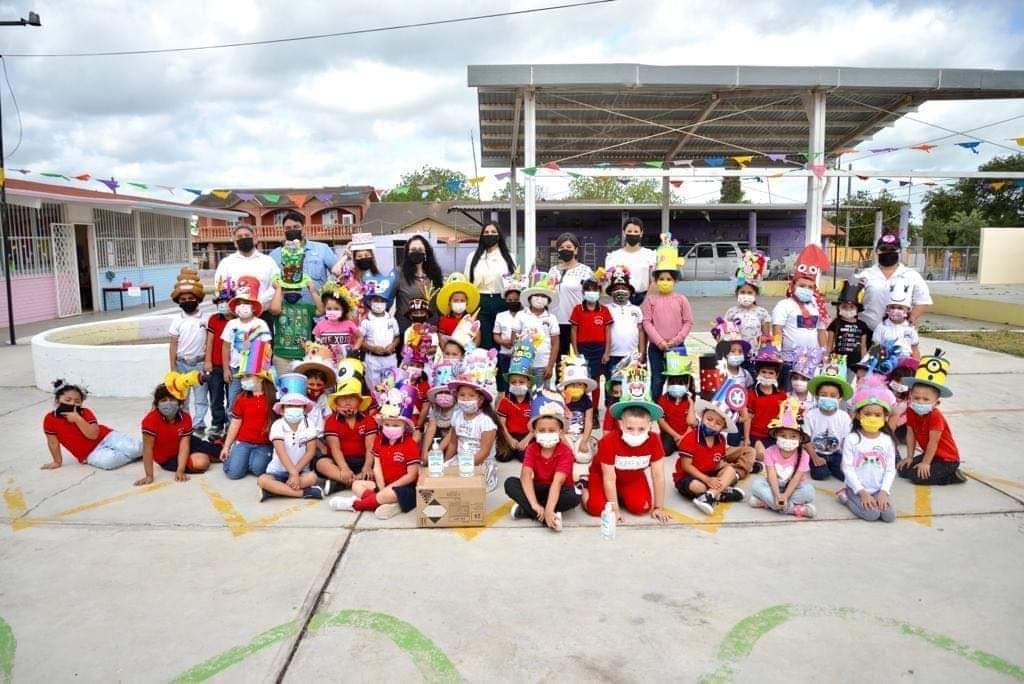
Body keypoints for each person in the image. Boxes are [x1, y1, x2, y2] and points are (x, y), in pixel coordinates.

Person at [582, 358, 671, 522]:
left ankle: (623, 495)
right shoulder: (608, 441)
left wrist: (659, 506)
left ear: (650, 425)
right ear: (621, 424)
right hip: (602, 477)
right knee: (597, 509)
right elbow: (609, 477)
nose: (636, 433)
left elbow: (658, 475)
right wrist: (615, 509)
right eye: (630, 428)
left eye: (641, 429)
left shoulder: (654, 440)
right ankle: (585, 486)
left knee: (642, 508)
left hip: (632, 478)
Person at [674, 379, 755, 515]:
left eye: (718, 423)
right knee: (698, 486)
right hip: (688, 475)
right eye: (709, 419)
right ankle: (720, 493)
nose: (712, 424)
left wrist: (720, 476)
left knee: (729, 470)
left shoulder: (721, 440)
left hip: (709, 472)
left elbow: (717, 462)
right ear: (703, 416)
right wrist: (708, 480)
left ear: (723, 427)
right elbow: (686, 466)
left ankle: (711, 495)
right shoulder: (691, 438)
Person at [505, 391, 580, 531]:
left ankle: (531, 511)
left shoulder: (565, 451)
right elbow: (526, 477)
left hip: (560, 489)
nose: (547, 433)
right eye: (542, 430)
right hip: (539, 487)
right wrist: (534, 504)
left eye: (552, 430)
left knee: (573, 497)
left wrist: (549, 508)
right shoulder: (532, 448)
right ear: (535, 431)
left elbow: (558, 482)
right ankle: (548, 517)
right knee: (510, 483)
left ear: (561, 431)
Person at [134, 374, 216, 486]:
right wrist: (149, 476)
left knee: (217, 451)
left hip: (184, 443)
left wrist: (181, 469)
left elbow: (184, 446)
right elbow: (147, 449)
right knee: (203, 462)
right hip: (167, 458)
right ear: (157, 404)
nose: (168, 403)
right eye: (163, 400)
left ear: (179, 402)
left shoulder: (185, 418)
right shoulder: (150, 421)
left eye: (172, 399)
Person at [898, 350, 966, 485]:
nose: (920, 402)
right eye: (916, 398)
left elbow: (933, 443)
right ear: (910, 396)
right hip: (933, 455)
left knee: (917, 477)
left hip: (947, 459)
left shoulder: (935, 416)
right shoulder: (911, 411)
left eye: (926, 399)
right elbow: (910, 435)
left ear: (936, 403)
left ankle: (952, 475)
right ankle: (928, 466)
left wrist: (925, 463)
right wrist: (910, 457)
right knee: (903, 470)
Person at [42, 379, 141, 471]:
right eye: (67, 400)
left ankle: (140, 451)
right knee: (109, 462)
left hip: (106, 437)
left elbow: (93, 435)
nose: (72, 404)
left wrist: (77, 419)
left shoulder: (85, 412)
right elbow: (53, 443)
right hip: (89, 453)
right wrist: (57, 461)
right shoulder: (50, 419)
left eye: (77, 401)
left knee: (134, 448)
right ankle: (135, 455)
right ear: (57, 401)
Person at [839, 373, 899, 523]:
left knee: (889, 516)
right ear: (858, 415)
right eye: (867, 413)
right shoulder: (852, 439)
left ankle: (875, 497)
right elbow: (847, 468)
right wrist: (862, 492)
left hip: (878, 489)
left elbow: (890, 469)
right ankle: (845, 497)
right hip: (857, 488)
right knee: (872, 515)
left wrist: (884, 491)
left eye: (878, 414)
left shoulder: (887, 440)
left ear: (885, 416)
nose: (873, 418)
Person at [443, 348, 504, 492]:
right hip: (460, 459)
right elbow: (452, 443)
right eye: (462, 395)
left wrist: (463, 468)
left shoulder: (486, 422)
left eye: (471, 396)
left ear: (481, 399)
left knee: (467, 489)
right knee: (440, 479)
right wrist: (446, 465)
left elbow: (483, 452)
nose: (465, 399)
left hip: (480, 463)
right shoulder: (457, 416)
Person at [257, 374, 324, 501]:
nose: (294, 409)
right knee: (262, 480)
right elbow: (281, 452)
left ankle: (275, 491)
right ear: (282, 410)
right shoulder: (278, 425)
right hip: (277, 471)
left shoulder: (308, 424)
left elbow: (310, 452)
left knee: (312, 478)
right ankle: (303, 493)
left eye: (298, 406)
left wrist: (295, 473)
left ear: (304, 409)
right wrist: (292, 473)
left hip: (301, 471)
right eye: (289, 406)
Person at [642, 235, 692, 401]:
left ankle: (676, 408)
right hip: (656, 348)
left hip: (677, 347)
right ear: (655, 280)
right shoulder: (650, 300)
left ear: (675, 280)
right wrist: (659, 342)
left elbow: (688, 322)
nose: (665, 282)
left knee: (677, 380)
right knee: (657, 380)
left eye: (668, 279)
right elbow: (647, 322)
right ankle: (655, 408)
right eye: (661, 279)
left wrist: (676, 340)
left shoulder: (681, 299)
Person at [771, 245, 830, 384]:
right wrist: (777, 353)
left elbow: (821, 332)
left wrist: (824, 353)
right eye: (802, 286)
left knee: (809, 393)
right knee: (788, 393)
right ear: (793, 286)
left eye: (810, 287)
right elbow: (777, 331)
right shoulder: (784, 305)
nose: (806, 289)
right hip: (789, 360)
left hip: (812, 359)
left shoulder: (818, 306)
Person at [749, 398, 816, 518]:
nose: (788, 439)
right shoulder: (770, 451)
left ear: (800, 439)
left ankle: (767, 504)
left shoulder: (804, 455)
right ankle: (793, 509)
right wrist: (776, 494)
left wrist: (785, 496)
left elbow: (796, 479)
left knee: (809, 492)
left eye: (793, 436)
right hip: (772, 486)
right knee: (756, 485)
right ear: (776, 435)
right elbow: (771, 474)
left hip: (794, 488)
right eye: (783, 435)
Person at [221, 340, 276, 480]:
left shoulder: (273, 398)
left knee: (258, 469)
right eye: (243, 377)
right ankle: (236, 456)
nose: (244, 380)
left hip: (264, 444)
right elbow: (235, 423)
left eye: (248, 376)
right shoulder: (242, 398)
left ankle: (247, 460)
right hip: (244, 442)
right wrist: (226, 446)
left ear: (260, 378)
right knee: (234, 474)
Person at [856, 232, 932, 332]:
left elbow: (923, 301)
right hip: (867, 332)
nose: (888, 252)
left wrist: (910, 321)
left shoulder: (912, 276)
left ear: (899, 251)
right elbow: (850, 300)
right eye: (883, 249)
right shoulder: (865, 275)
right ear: (876, 251)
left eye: (892, 249)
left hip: (899, 334)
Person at [167, 268, 210, 437]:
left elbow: (209, 341)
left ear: (198, 299)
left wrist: (207, 361)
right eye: (183, 299)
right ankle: (184, 424)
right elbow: (172, 344)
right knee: (182, 398)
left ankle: (199, 425)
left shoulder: (205, 319)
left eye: (191, 298)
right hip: (181, 364)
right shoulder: (177, 320)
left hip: (199, 364)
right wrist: (173, 368)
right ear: (178, 301)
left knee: (200, 398)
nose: (187, 301)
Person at [220, 275, 272, 412]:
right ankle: (232, 425)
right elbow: (225, 347)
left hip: (255, 370)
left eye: (246, 303)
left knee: (257, 397)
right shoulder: (231, 324)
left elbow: (267, 347)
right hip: (235, 368)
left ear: (254, 307)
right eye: (239, 303)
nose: (242, 306)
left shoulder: (260, 324)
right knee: (233, 399)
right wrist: (226, 369)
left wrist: (264, 370)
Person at [213, 225, 280, 330]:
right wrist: (234, 307)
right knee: (237, 345)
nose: (244, 238)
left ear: (255, 239)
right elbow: (219, 287)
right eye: (240, 237)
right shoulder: (226, 263)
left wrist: (256, 304)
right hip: (235, 318)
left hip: (262, 317)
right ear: (235, 242)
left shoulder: (268, 261)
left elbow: (275, 286)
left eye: (247, 235)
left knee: (261, 346)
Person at [268, 211, 341, 305]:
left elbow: (339, 275)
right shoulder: (274, 255)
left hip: (318, 311)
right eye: (288, 228)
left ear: (304, 228)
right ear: (283, 230)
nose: (292, 230)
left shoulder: (322, 249)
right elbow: (269, 284)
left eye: (296, 227)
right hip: (286, 311)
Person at [319, 378, 377, 493]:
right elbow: (335, 449)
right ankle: (358, 481)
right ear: (336, 401)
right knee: (321, 464)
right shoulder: (331, 420)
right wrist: (344, 468)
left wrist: (367, 466)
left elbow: (371, 446)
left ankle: (342, 483)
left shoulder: (368, 420)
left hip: (363, 460)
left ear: (359, 401)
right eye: (343, 397)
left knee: (380, 465)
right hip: (339, 461)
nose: (347, 401)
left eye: (352, 397)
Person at [464, 222, 516, 349]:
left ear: (499, 236)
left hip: (502, 300)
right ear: (482, 236)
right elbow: (467, 281)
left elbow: (515, 281)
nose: (490, 235)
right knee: (484, 340)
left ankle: (503, 367)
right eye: (486, 233)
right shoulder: (473, 257)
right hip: (480, 301)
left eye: (493, 232)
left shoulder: (509, 257)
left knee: (502, 338)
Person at [804, 356, 854, 482]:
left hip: (836, 454)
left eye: (833, 396)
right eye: (824, 395)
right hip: (816, 452)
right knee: (820, 474)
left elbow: (846, 441)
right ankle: (824, 467)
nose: (828, 398)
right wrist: (814, 457)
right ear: (817, 396)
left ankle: (832, 466)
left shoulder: (844, 417)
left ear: (840, 398)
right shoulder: (810, 415)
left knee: (846, 476)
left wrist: (846, 461)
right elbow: (806, 439)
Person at [268, 264, 323, 376]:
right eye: (288, 288)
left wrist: (312, 291)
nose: (292, 291)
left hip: (303, 356)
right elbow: (274, 309)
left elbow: (321, 311)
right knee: (285, 388)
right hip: (282, 357)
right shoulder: (280, 306)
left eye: (296, 288)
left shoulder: (307, 307)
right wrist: (279, 288)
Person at [548, 232, 594, 360]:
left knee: (577, 360)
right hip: (555, 322)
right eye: (561, 247)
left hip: (577, 322)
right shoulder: (553, 270)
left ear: (576, 250)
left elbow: (592, 296)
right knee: (558, 361)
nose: (565, 250)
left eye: (569, 247)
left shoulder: (585, 271)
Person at [570, 277, 610, 411]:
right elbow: (574, 331)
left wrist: (606, 352)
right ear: (583, 292)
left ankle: (594, 411)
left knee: (596, 380)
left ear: (599, 292)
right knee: (583, 380)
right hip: (583, 348)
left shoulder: (604, 310)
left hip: (599, 349)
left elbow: (608, 332)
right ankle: (583, 409)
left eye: (594, 290)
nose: (591, 293)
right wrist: (575, 351)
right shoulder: (577, 309)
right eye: (588, 290)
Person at [395, 234, 443, 342]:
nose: (416, 251)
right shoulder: (398, 274)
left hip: (430, 331)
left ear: (426, 252)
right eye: (413, 249)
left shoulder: (435, 274)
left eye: (420, 249)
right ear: (407, 253)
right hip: (407, 331)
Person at [743, 344, 788, 458]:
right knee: (762, 455)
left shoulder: (782, 395)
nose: (767, 375)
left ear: (776, 375)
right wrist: (747, 438)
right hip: (756, 435)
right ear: (758, 373)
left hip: (774, 435)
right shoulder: (751, 394)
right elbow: (748, 418)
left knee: (781, 455)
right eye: (764, 372)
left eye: (771, 373)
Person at [339, 232, 398, 318]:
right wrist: (346, 254)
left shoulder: (378, 278)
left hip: (371, 319)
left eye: (366, 255)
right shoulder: (349, 275)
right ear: (354, 259)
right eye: (359, 256)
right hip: (352, 320)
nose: (363, 258)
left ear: (372, 257)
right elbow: (335, 270)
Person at [603, 265, 645, 381]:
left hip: (632, 355)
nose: (620, 291)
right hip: (612, 355)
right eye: (616, 288)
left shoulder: (636, 310)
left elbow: (641, 331)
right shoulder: (606, 309)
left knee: (632, 386)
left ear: (630, 291)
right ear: (611, 292)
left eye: (623, 288)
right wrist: (605, 353)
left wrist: (641, 352)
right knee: (612, 387)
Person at [724, 250, 771, 355]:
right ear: (737, 294)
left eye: (750, 292)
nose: (746, 295)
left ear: (755, 294)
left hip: (756, 355)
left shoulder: (762, 313)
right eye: (743, 292)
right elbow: (726, 335)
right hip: (736, 355)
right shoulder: (731, 312)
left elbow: (766, 337)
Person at [518, 270, 560, 387]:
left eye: (543, 296)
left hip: (543, 365)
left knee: (542, 397)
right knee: (524, 395)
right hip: (524, 364)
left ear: (548, 300)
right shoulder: (521, 315)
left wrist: (550, 366)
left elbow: (555, 344)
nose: (539, 298)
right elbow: (514, 340)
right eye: (536, 295)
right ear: (530, 297)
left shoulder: (552, 318)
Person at [603, 216, 657, 306]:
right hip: (620, 298)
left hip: (643, 298)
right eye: (629, 231)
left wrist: (645, 304)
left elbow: (654, 282)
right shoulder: (613, 256)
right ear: (624, 233)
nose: (633, 234)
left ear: (641, 233)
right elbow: (609, 282)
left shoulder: (650, 255)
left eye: (636, 231)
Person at [497, 337, 535, 462]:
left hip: (527, 435)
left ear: (528, 383)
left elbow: (537, 424)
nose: (517, 384)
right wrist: (509, 439)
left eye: (521, 381)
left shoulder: (534, 401)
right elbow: (501, 423)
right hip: (509, 434)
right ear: (509, 383)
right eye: (513, 382)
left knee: (525, 458)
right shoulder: (505, 400)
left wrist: (526, 439)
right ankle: (510, 447)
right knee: (502, 457)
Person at [204, 282, 234, 439]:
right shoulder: (214, 319)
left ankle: (231, 423)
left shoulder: (237, 320)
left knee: (232, 396)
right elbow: (209, 341)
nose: (223, 305)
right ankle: (217, 423)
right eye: (220, 302)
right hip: (215, 365)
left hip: (232, 366)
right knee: (215, 395)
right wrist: (207, 360)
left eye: (226, 301)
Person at [557, 348, 597, 464]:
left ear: (585, 387)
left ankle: (590, 443)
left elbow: (589, 422)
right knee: (566, 457)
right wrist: (563, 439)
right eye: (572, 385)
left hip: (581, 435)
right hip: (565, 436)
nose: (576, 387)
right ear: (566, 386)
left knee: (583, 458)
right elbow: (557, 423)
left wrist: (584, 441)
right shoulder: (561, 400)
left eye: (579, 384)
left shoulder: (587, 401)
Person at [656, 350, 697, 457]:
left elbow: (692, 423)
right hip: (670, 434)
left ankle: (681, 444)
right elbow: (661, 420)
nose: (676, 386)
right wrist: (676, 436)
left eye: (680, 383)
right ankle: (676, 444)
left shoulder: (691, 399)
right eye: (672, 383)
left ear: (688, 384)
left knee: (691, 451)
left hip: (688, 433)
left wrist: (691, 404)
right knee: (664, 451)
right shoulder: (663, 399)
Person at [493, 272, 527, 394]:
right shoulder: (500, 316)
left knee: (521, 381)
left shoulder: (526, 315)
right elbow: (496, 334)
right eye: (510, 300)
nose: (513, 302)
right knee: (507, 382)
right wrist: (502, 341)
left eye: (516, 300)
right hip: (505, 354)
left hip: (522, 355)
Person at [360, 291, 400, 390]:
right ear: (370, 302)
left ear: (386, 303)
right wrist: (372, 348)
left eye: (382, 301)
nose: (379, 303)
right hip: (373, 359)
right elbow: (359, 340)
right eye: (376, 300)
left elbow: (397, 337)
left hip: (390, 358)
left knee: (390, 388)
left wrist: (392, 346)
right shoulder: (366, 321)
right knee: (375, 389)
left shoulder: (392, 320)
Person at [827, 280, 871, 371]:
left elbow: (863, 346)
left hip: (856, 362)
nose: (848, 309)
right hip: (837, 361)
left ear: (857, 309)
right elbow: (829, 344)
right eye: (844, 307)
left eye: (851, 307)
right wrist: (826, 359)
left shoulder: (862, 325)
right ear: (839, 308)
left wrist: (863, 364)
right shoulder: (835, 323)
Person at [420, 359, 459, 462]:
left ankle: (446, 463)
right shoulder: (436, 407)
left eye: (447, 393)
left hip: (454, 440)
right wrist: (424, 452)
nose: (443, 395)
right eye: (440, 392)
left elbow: (452, 434)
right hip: (440, 436)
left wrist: (437, 452)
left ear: (455, 395)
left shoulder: (459, 408)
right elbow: (431, 428)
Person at [312, 284, 362, 362]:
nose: (332, 311)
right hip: (326, 363)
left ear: (343, 310)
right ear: (325, 308)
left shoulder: (349, 324)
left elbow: (360, 337)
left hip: (345, 363)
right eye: (329, 308)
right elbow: (316, 343)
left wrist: (354, 350)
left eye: (336, 309)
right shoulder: (320, 325)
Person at [872, 282, 920, 359]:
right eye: (892, 307)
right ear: (887, 309)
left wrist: (917, 367)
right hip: (885, 363)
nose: (895, 310)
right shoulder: (881, 327)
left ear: (907, 310)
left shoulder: (910, 328)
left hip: (905, 365)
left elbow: (915, 349)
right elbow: (875, 348)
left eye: (900, 308)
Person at [436, 273, 480, 345]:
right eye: (455, 300)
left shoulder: (471, 320)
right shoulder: (443, 320)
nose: (459, 303)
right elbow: (441, 340)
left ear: (467, 303)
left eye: (462, 300)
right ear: (449, 303)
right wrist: (450, 353)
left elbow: (477, 339)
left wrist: (469, 351)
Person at [786, 346, 824, 412]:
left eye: (803, 379)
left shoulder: (816, 402)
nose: (798, 382)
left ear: (810, 381)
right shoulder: (785, 398)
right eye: (795, 378)